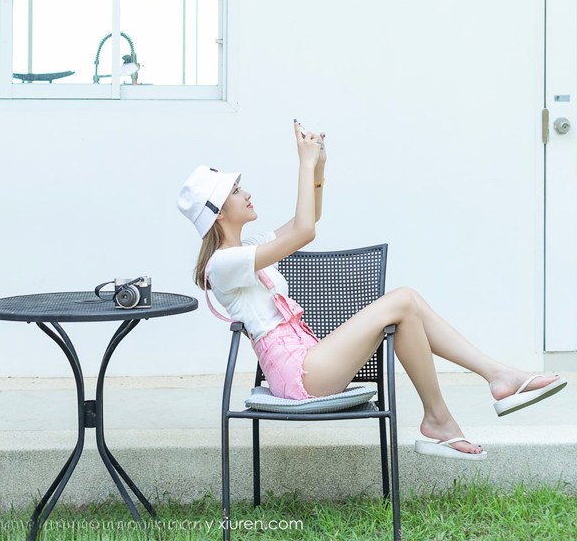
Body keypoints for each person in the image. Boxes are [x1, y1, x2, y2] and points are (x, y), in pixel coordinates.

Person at [177, 121, 567, 460]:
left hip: (309, 360)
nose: (246, 193)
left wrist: (320, 166)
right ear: (218, 214)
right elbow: (304, 231)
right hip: (298, 375)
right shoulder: (223, 265)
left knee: (407, 309)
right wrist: (304, 161)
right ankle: (493, 380)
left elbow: (311, 217)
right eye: (235, 191)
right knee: (403, 298)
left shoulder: (250, 250)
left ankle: (443, 417)